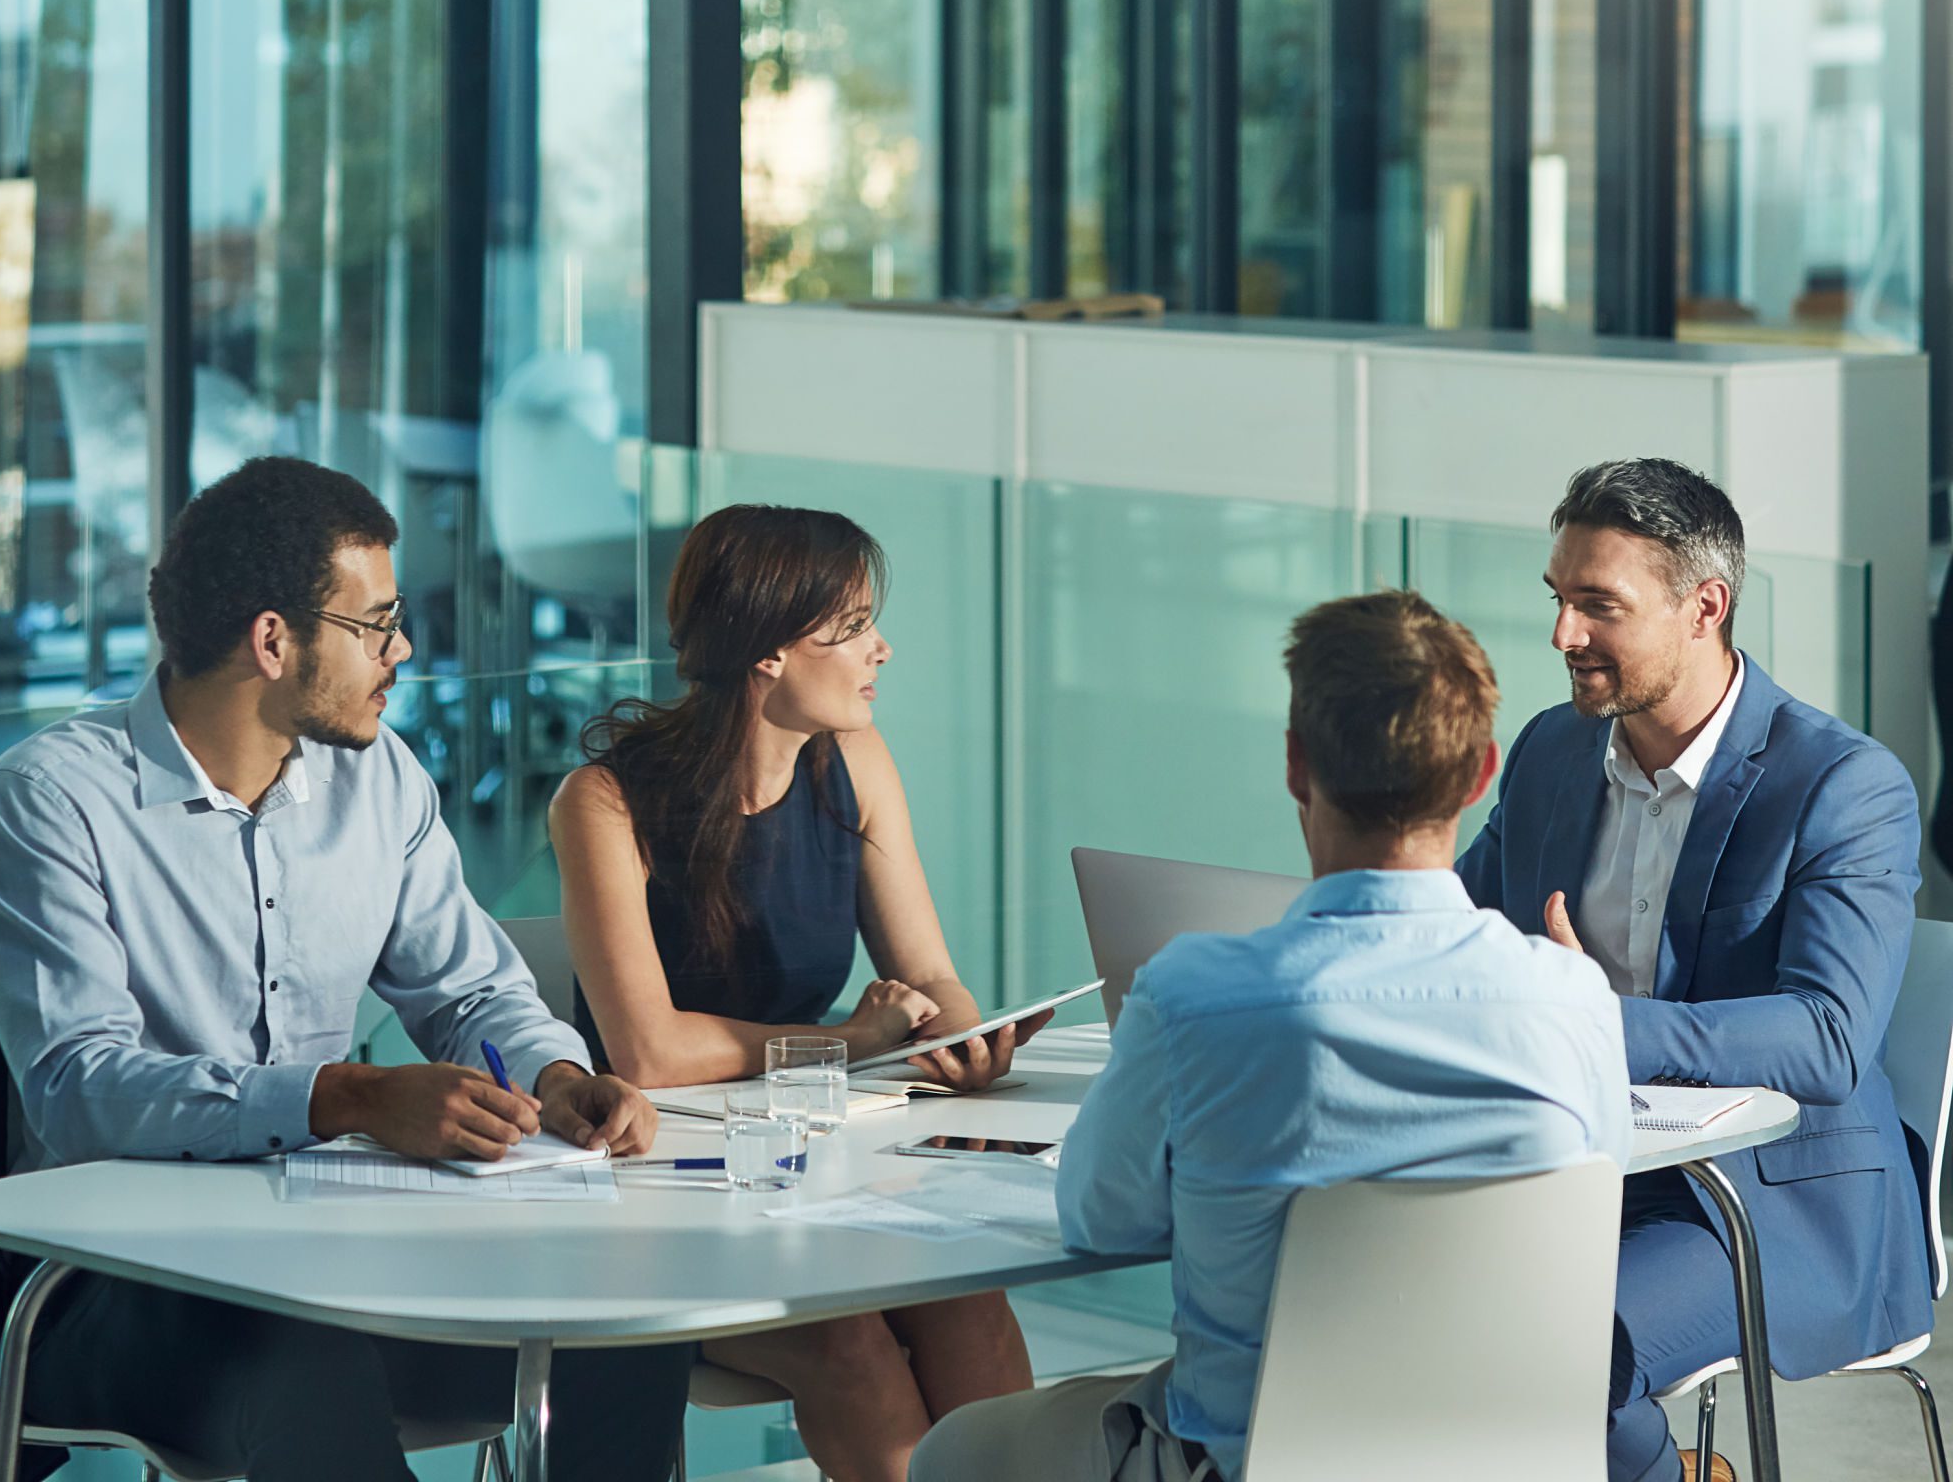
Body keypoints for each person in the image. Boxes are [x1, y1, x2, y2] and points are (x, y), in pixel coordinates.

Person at [0, 456, 691, 1482]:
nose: (400, 650)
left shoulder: (379, 777)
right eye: (376, 623)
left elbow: (471, 992)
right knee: (299, 1357)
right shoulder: (52, 798)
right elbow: (79, 1085)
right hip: (124, 1282)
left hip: (342, 1246)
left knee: (625, 1325)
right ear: (274, 638)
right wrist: (343, 1094)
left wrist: (554, 1077)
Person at [910, 589, 1631, 1482]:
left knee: (952, 1450)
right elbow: (1589, 1206)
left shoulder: (1192, 997)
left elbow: (1099, 1220)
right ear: (1483, 773)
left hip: (1250, 1464)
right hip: (1510, 1462)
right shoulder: (1573, 997)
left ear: (1297, 766)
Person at [1457, 457, 1932, 1482]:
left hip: (1766, 1205)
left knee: (1545, 1353)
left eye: (1597, 605)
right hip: (1574, 1170)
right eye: (1557, 598)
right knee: (1371, 1308)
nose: (1560, 636)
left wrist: (1591, 1018)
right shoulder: (1550, 751)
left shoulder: (1841, 784)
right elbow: (1456, 931)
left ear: (1702, 606)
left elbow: (1826, 1037)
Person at [549, 503, 1037, 1482]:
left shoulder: (852, 762)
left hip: (809, 1160)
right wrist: (849, 1042)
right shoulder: (601, 800)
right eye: (852, 624)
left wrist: (958, 1031)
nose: (881, 647)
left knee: (968, 1301)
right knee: (849, 1346)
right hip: (657, 1193)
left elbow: (929, 972)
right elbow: (646, 1050)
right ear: (769, 651)